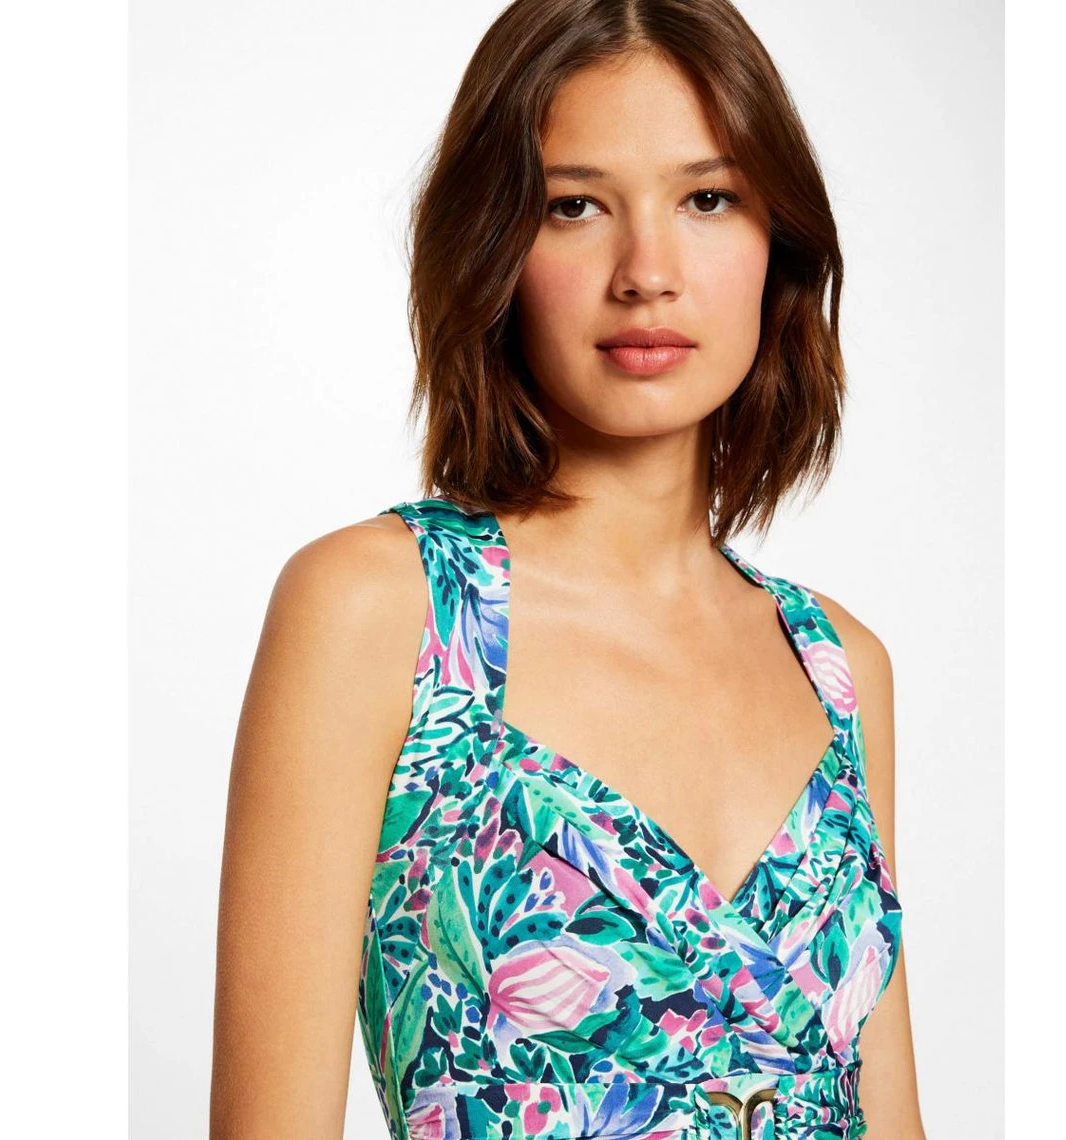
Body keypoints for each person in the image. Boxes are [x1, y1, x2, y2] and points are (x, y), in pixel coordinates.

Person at [210, 1, 926, 1137]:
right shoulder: (385, 614)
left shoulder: (839, 668)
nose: (648, 272)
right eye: (575, 205)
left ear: (776, 243)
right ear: (494, 245)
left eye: (707, 199)